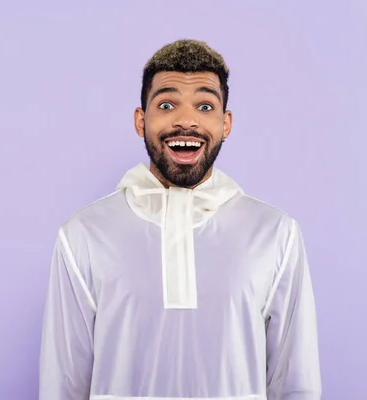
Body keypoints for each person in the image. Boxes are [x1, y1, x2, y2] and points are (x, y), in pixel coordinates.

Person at [38, 39, 321, 400]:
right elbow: (62, 384)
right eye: (167, 104)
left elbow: (296, 381)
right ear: (141, 121)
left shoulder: (277, 234)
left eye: (205, 106)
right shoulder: (82, 234)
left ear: (225, 123)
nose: (186, 120)